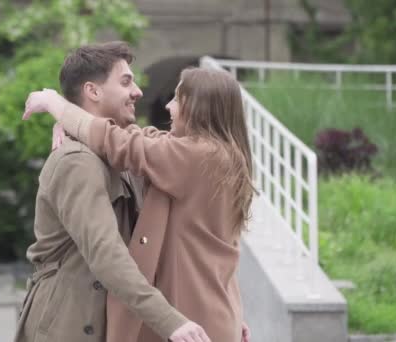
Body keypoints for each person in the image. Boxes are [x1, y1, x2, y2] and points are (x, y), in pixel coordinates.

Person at [23, 66, 255, 342]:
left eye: (178, 99)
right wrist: (73, 119)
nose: (169, 106)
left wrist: (55, 105)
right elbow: (143, 138)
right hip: (215, 314)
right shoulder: (223, 154)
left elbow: (119, 143)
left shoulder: (196, 157)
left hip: (193, 324)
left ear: (199, 107)